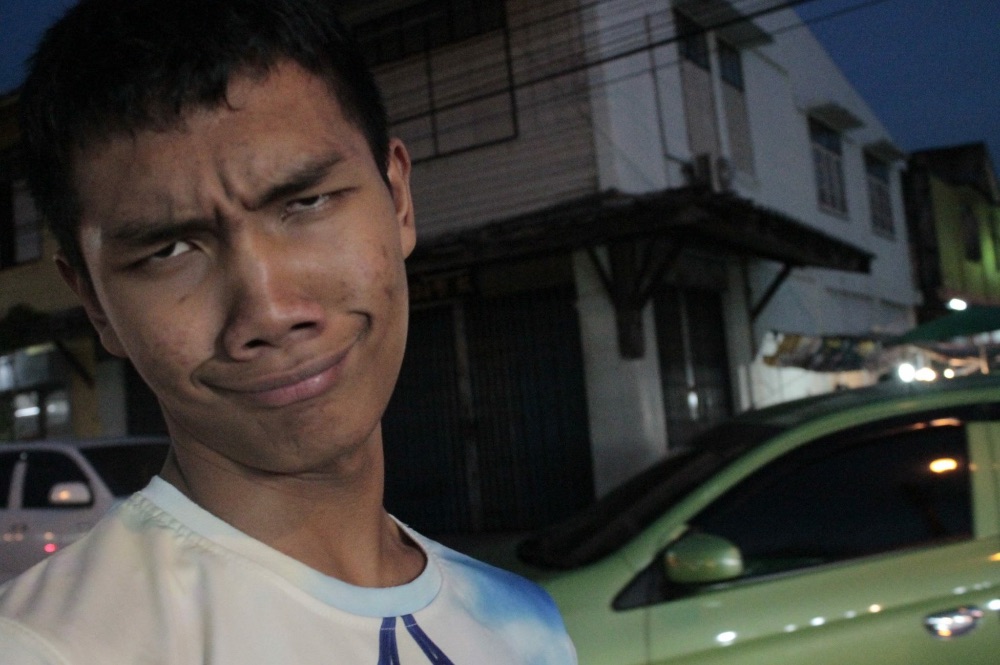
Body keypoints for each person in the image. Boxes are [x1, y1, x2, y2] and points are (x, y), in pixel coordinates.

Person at [0, 0, 578, 663]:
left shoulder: (525, 625)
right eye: (169, 250)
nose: (270, 312)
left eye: (306, 202)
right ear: (95, 303)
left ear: (397, 199)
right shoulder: (47, 648)